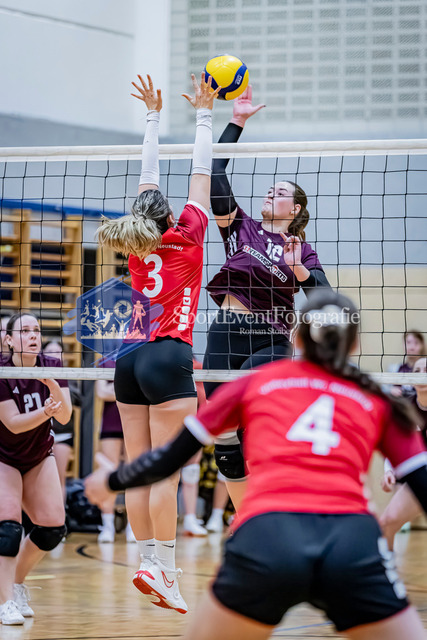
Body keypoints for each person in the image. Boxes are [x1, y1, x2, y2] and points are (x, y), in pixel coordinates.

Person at [86, 290, 427, 640]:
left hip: (268, 537)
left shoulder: (254, 384)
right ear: (355, 345)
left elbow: (169, 457)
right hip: (351, 543)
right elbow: (422, 482)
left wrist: (111, 481)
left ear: (297, 339)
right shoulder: (379, 400)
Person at [96, 72, 219, 613]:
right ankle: (163, 568)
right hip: (169, 355)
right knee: (167, 469)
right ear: (169, 216)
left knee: (140, 464)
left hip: (128, 359)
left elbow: (149, 177)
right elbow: (200, 172)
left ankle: (148, 559)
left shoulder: (136, 241)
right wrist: (204, 113)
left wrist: (152, 116)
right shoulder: (187, 234)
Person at [204, 85, 330, 508]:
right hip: (226, 331)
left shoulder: (301, 249)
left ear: (295, 210)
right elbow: (215, 171)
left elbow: (326, 299)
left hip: (271, 338)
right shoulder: (239, 226)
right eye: (269, 189)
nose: (269, 193)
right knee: (224, 438)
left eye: (280, 192)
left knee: (255, 420)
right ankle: (246, 517)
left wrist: (298, 268)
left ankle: (279, 503)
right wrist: (236, 122)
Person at [0, 312, 71, 625]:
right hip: (3, 455)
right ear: (9, 339)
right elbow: (13, 424)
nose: (32, 335)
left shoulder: (52, 365)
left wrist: (52, 385)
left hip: (38, 455)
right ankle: (4, 602)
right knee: (8, 529)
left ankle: (15, 583)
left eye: (37, 330)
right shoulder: (2, 369)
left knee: (53, 528)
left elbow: (65, 416)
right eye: (24, 330)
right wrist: (45, 412)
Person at [380, 355, 427, 549]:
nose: (422, 375)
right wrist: (389, 471)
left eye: (426, 371)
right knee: (387, 522)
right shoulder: (406, 408)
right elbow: (397, 445)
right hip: (423, 476)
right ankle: (388, 564)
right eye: (417, 371)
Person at [95, 361, 135, 543]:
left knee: (133, 474)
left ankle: (133, 525)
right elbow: (101, 392)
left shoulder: (138, 356)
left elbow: (143, 391)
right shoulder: (104, 361)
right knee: (108, 472)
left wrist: (114, 388)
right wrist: (127, 388)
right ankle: (107, 525)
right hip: (110, 424)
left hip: (133, 423)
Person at [43, 340, 81, 502]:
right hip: (41, 433)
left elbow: (78, 400)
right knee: (40, 480)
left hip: (63, 434)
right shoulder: (33, 374)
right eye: (50, 351)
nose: (54, 355)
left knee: (60, 478)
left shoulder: (67, 376)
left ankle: (61, 514)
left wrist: (57, 388)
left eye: (57, 352)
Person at [388, 330, 425, 398]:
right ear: (403, 345)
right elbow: (385, 389)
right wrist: (390, 390)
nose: (412, 347)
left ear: (422, 345)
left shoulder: (425, 369)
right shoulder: (395, 368)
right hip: (401, 403)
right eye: (408, 342)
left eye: (416, 343)